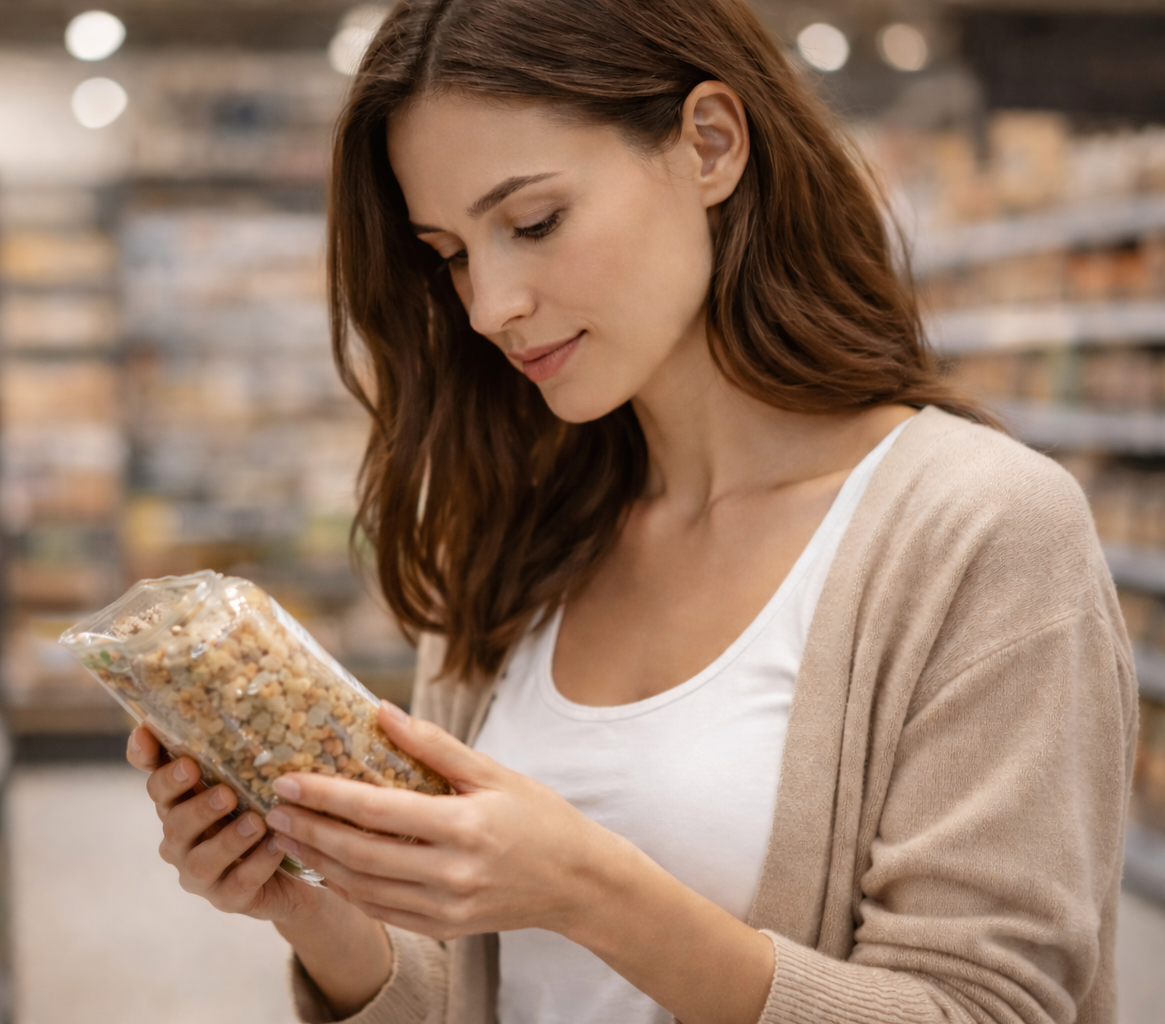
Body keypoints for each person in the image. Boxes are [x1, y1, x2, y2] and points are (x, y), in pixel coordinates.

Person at [124, 1, 1137, 1022]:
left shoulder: (986, 531)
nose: (489, 306)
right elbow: (484, 985)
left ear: (710, 145)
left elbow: (986, 1008)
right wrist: (306, 903)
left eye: (533, 222)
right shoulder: (517, 536)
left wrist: (586, 889)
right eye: (453, 252)